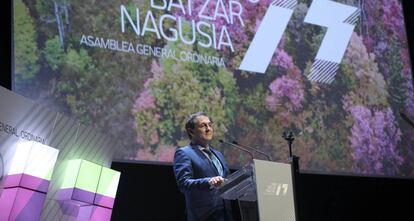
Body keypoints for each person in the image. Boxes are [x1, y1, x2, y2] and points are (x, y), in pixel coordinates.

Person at [173, 112, 233, 221]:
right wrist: (209, 182)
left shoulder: (218, 154)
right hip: (203, 216)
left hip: (224, 215)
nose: (208, 129)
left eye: (210, 125)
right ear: (191, 131)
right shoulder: (184, 153)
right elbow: (183, 183)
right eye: (203, 126)